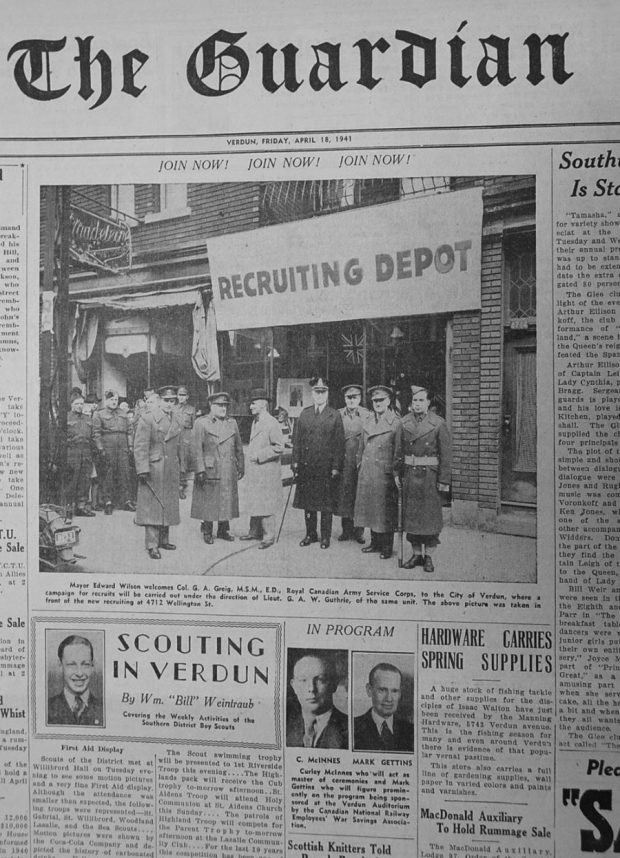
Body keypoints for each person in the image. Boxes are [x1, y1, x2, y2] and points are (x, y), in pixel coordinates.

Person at [395, 385, 452, 574]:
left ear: (428, 402)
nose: (417, 404)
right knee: (412, 517)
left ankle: (429, 556)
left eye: (421, 400)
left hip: (430, 477)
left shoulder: (438, 423)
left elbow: (446, 454)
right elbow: (398, 452)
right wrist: (397, 474)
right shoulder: (403, 423)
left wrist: (444, 480)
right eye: (414, 401)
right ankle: (416, 554)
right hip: (410, 475)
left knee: (429, 518)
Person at [292, 376, 345, 549]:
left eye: (323, 392)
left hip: (326, 468)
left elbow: (339, 444)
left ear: (327, 394)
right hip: (307, 466)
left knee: (325, 504)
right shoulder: (304, 413)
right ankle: (311, 534)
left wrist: (336, 466)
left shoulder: (334, 415)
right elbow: (297, 441)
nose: (320, 395)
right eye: (317, 392)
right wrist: (295, 461)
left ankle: (325, 537)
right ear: (312, 393)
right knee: (309, 503)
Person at [133, 385, 182, 560]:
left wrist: (181, 466)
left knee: (167, 503)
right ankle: (152, 545)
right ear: (160, 400)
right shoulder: (148, 418)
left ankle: (164, 539)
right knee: (152, 506)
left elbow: (179, 445)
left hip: (170, 468)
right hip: (154, 467)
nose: (170, 404)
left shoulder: (177, 418)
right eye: (166, 400)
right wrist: (142, 469)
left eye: (173, 401)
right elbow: (140, 446)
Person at [191, 391, 244, 544]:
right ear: (211, 406)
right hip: (210, 467)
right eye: (219, 405)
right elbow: (196, 449)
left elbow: (238, 446)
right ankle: (207, 530)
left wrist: (241, 464)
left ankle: (223, 530)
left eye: (225, 405)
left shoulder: (232, 423)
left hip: (228, 467)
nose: (223, 408)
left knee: (226, 499)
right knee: (209, 499)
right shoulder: (201, 423)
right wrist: (199, 469)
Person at [354, 385, 400, 559]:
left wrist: (395, 472)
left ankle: (387, 546)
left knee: (385, 511)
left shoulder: (396, 422)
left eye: (381, 400)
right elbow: (361, 446)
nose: (378, 403)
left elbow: (398, 451)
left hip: (384, 472)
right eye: (375, 401)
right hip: (368, 471)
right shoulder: (368, 420)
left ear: (388, 401)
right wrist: (360, 464)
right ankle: (375, 542)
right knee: (370, 507)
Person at [240, 389, 285, 549]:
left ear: (263, 405)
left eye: (253, 403)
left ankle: (268, 536)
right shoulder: (257, 420)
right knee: (256, 501)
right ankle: (254, 532)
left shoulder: (271, 422)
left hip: (266, 470)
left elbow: (279, 447)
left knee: (265, 503)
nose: (250, 406)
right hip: (257, 470)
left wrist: (259, 455)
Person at [286, 652, 348, 749]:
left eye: (320, 680)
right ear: (294, 686)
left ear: (334, 684)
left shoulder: (351, 728)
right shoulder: (285, 727)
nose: (311, 688)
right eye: (303, 680)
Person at [92, 389, 135, 515]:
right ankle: (108, 502)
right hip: (108, 445)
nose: (114, 402)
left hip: (122, 446)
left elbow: (130, 430)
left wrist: (130, 446)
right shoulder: (99, 414)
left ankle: (126, 500)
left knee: (125, 473)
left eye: (116, 399)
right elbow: (96, 433)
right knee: (108, 474)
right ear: (106, 400)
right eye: (111, 400)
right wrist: (100, 449)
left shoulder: (123, 413)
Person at [353, 663, 414, 752]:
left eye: (394, 691)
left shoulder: (410, 731)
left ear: (400, 693)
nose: (389, 698)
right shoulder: (352, 728)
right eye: (382, 690)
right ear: (369, 690)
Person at [336, 384, 368, 543]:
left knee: (359, 495)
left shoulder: (367, 415)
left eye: (355, 397)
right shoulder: (338, 415)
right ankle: (345, 530)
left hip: (360, 460)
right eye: (349, 397)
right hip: (344, 461)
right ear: (344, 399)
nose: (351, 400)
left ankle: (359, 531)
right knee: (344, 495)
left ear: (360, 399)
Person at [47, 634, 103, 726]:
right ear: (60, 665)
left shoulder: (104, 710)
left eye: (85, 664)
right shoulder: (46, 709)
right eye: (72, 665)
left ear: (92, 665)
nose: (79, 673)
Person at [64, 393, 95, 516]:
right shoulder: (66, 418)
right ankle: (68, 508)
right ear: (71, 404)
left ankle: (81, 507)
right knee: (72, 480)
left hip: (86, 452)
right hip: (72, 452)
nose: (79, 406)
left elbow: (92, 436)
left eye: (81, 404)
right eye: (77, 403)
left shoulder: (88, 419)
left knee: (84, 480)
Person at [176, 385, 196, 499]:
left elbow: (194, 427)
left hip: (186, 437)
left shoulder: (191, 409)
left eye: (183, 395)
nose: (181, 397)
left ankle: (181, 486)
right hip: (175, 437)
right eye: (180, 395)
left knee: (183, 462)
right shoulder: (173, 408)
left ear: (187, 397)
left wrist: (191, 441)